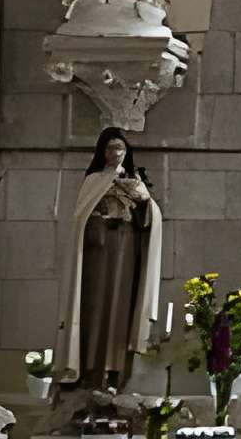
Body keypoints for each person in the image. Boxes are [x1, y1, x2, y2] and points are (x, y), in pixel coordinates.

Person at [59, 126, 163, 388]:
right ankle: (91, 368)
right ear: (103, 152)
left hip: (126, 249)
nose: (116, 152)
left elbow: (149, 219)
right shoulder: (94, 180)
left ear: (126, 152)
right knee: (95, 306)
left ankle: (116, 369)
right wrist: (98, 224)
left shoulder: (135, 181)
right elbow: (81, 217)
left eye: (121, 148)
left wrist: (143, 201)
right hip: (99, 251)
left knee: (121, 306)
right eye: (111, 147)